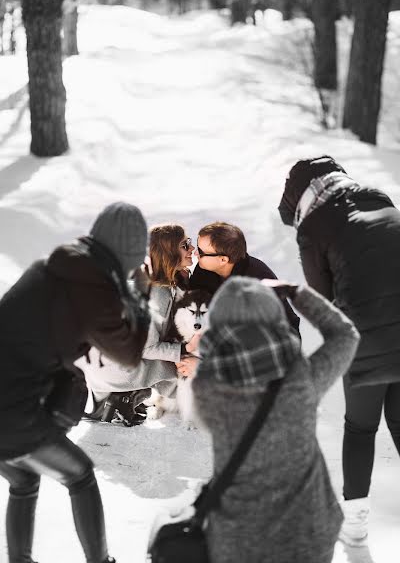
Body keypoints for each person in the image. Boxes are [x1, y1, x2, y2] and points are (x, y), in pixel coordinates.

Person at [0, 202, 152, 563]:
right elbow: (129, 353)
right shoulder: (91, 288)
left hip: (6, 406)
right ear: (128, 254)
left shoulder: (49, 270)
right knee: (80, 475)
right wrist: (141, 299)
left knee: (24, 482)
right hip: (11, 415)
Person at [190, 276, 360, 563]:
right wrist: (297, 293)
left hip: (237, 540)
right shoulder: (302, 379)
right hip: (309, 533)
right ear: (275, 321)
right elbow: (345, 336)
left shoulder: (207, 387)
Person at [278, 155, 400, 546]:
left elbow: (323, 302)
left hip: (364, 335)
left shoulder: (313, 225)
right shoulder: (380, 197)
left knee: (361, 428)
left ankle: (356, 524)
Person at [80, 223, 200, 419]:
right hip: (117, 369)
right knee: (174, 368)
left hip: (102, 365)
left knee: (174, 359)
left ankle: (120, 396)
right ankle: (125, 396)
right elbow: (146, 348)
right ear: (169, 252)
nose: (192, 248)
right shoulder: (158, 292)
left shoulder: (146, 280)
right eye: (185, 245)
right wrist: (183, 353)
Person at [189, 221, 300, 329]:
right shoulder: (203, 269)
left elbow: (286, 324)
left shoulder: (259, 281)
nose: (195, 253)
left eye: (200, 251)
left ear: (223, 260)